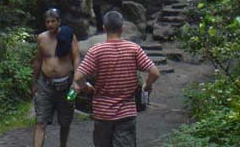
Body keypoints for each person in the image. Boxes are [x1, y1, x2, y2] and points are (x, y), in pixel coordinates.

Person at [72, 10, 160, 147]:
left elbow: (78, 77)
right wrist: (147, 86)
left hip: (102, 113)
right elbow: (154, 72)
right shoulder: (133, 49)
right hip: (126, 113)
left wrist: (85, 86)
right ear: (122, 29)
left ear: (104, 28)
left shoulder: (96, 51)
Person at [33, 8, 81, 147]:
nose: (50, 24)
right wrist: (34, 82)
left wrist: (76, 81)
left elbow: (76, 58)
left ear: (59, 21)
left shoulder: (69, 36)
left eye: (53, 21)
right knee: (40, 121)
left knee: (65, 122)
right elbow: (38, 60)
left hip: (66, 84)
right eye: (47, 21)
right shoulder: (41, 38)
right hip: (45, 84)